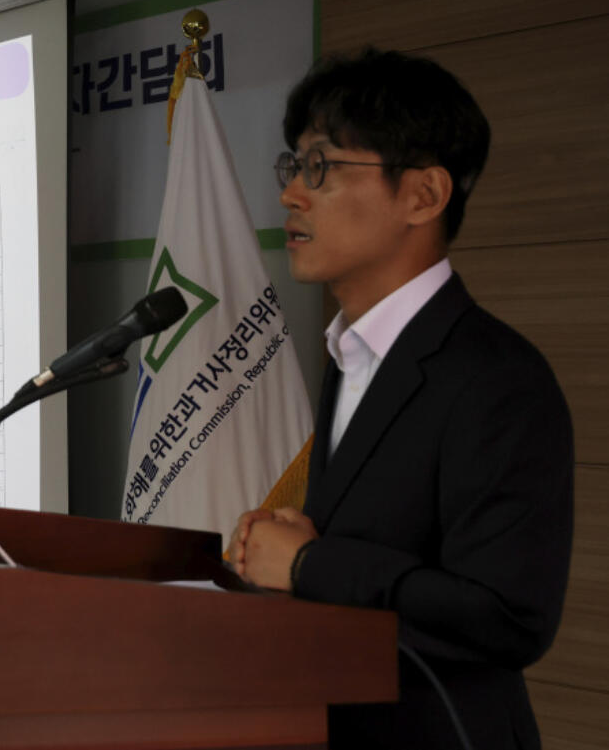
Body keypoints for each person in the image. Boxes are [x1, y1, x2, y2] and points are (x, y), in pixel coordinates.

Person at [228, 48, 572, 750]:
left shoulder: (499, 376)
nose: (291, 193)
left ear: (423, 195)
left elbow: (508, 616)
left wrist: (307, 564)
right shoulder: (349, 351)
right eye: (292, 167)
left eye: (320, 167)